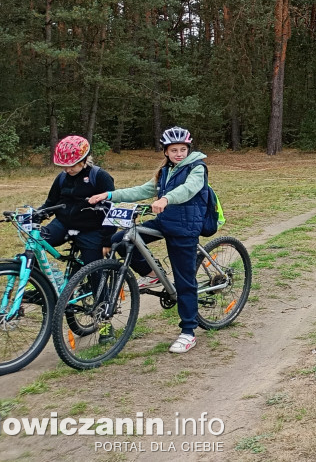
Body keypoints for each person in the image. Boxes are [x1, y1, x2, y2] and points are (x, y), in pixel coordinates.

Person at [88, 126, 206, 354]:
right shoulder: (165, 171)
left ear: (189, 149)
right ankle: (152, 275)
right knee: (121, 239)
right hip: (164, 222)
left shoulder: (197, 167)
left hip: (185, 227)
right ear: (166, 152)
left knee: (184, 280)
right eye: (174, 150)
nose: (179, 153)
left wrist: (166, 199)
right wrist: (109, 195)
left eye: (183, 149)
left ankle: (188, 332)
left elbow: (189, 189)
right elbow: (142, 191)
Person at [40, 136, 115, 267]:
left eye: (71, 166)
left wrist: (107, 241)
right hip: (63, 223)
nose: (67, 170)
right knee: (36, 243)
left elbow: (111, 210)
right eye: (63, 166)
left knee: (94, 270)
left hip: (91, 229)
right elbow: (51, 203)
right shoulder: (62, 177)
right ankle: (37, 281)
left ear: (84, 159)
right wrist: (36, 215)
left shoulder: (100, 176)